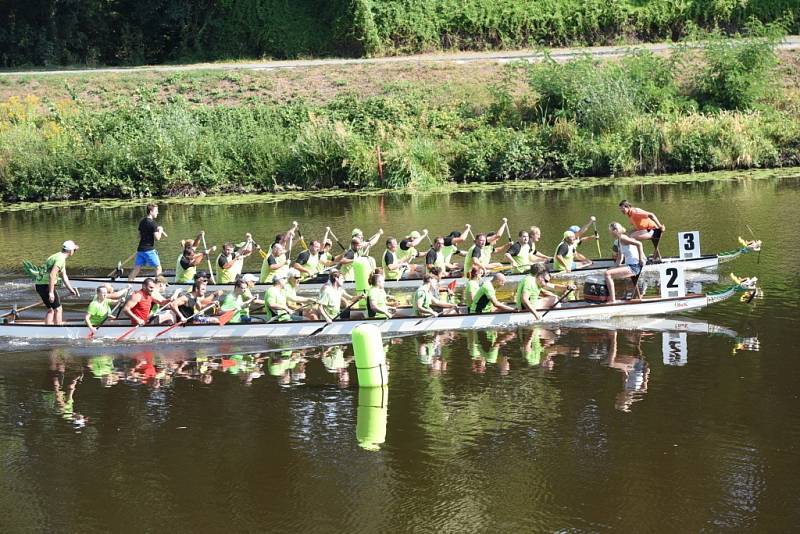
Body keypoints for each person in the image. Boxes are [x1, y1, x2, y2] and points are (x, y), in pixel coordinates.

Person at [34, 240, 80, 325]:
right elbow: (52, 275)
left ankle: (48, 330)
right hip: (46, 286)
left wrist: (70, 289)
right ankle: (58, 329)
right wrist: (51, 293)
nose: (75, 252)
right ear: (70, 251)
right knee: (58, 309)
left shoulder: (57, 256)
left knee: (51, 309)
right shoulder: (60, 259)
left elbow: (64, 276)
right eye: (74, 250)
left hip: (39, 285)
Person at [605, 222, 646, 303]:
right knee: (608, 271)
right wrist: (613, 267)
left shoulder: (623, 238)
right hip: (630, 265)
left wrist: (641, 259)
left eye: (611, 231)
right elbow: (620, 258)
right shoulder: (619, 240)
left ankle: (613, 301)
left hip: (634, 266)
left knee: (607, 274)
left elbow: (639, 244)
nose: (610, 233)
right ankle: (636, 298)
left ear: (615, 230)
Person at [129, 204, 166, 281]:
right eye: (156, 211)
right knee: (158, 267)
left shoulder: (142, 221)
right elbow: (157, 238)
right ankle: (158, 286)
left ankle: (129, 283)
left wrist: (152, 231)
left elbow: (138, 236)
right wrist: (160, 230)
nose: (157, 213)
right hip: (149, 250)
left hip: (140, 250)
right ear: (150, 211)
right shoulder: (153, 223)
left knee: (136, 269)